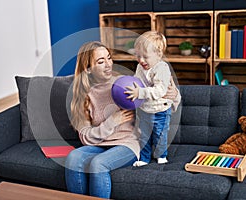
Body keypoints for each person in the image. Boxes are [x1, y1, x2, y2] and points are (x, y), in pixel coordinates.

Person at [65, 41, 180, 198]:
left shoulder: (126, 84)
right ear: (88, 69)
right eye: (100, 61)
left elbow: (156, 99)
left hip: (127, 143)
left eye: (109, 58)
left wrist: (174, 96)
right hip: (98, 144)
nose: (108, 65)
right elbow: (85, 137)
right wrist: (112, 122)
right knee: (73, 158)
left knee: (98, 164)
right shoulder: (82, 95)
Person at [125, 31, 181, 167]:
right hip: (144, 110)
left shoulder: (162, 68)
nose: (141, 60)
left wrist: (140, 92)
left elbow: (160, 90)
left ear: (159, 55)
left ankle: (161, 155)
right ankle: (144, 158)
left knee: (160, 135)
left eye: (145, 56)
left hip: (160, 110)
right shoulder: (140, 67)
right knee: (144, 136)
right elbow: (137, 83)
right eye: (138, 56)